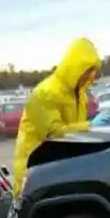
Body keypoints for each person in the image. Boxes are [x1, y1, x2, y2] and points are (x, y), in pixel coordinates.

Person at [11, 38, 99, 200]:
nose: (90, 76)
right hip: (33, 173)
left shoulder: (80, 95)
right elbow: (54, 133)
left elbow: (75, 135)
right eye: (87, 70)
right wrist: (91, 126)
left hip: (57, 169)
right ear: (76, 68)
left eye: (92, 71)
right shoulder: (44, 93)